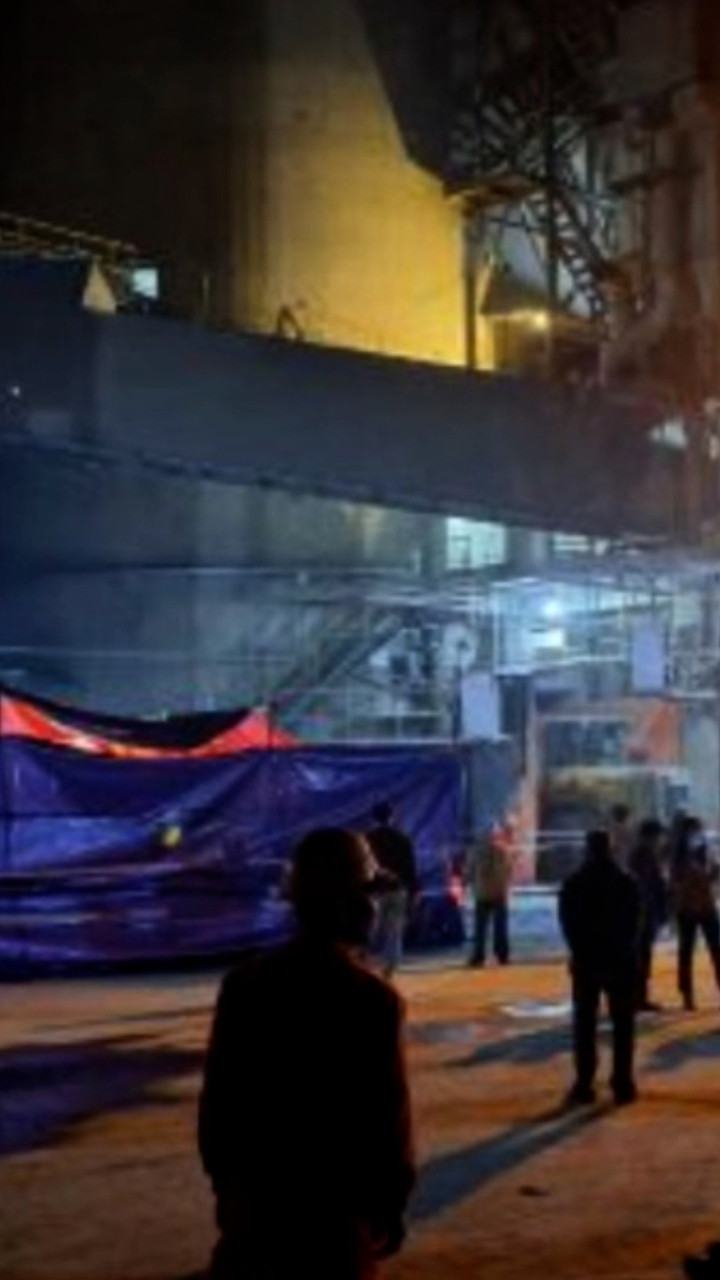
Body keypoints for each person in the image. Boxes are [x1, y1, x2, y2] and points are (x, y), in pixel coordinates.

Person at [198, 827, 415, 1280]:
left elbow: (217, 1110)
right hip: (333, 1231)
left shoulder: (244, 985)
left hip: (254, 1221)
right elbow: (387, 1125)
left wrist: (231, 1193)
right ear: (347, 904)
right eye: (368, 894)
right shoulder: (370, 1000)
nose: (374, 907)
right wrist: (390, 1206)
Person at [559, 828, 641, 1106]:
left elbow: (568, 924)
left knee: (585, 1024)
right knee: (623, 1025)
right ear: (610, 849)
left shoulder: (574, 883)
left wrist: (580, 953)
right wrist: (625, 952)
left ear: (587, 849)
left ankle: (584, 1083)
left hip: (586, 962)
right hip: (620, 962)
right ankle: (623, 1083)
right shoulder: (627, 882)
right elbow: (635, 924)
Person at [670, 815, 720, 1011]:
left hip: (704, 907)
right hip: (689, 909)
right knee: (687, 952)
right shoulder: (680, 858)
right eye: (695, 830)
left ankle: (688, 994)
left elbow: (707, 879)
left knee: (714, 949)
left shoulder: (702, 852)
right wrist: (709, 875)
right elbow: (684, 882)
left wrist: (713, 872)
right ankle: (687, 995)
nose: (698, 834)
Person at [367, 802, 418, 978]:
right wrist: (414, 890)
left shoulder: (367, 839)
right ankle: (390, 966)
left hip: (375, 891)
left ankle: (366, 963)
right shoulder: (402, 839)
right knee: (394, 930)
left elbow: (365, 867)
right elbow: (411, 869)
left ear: (373, 818)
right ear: (392, 817)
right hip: (398, 889)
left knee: (373, 929)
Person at [628, 818, 668, 1011]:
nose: (660, 840)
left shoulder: (645, 853)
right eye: (659, 836)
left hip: (644, 911)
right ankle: (637, 997)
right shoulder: (643, 855)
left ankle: (639, 996)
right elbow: (648, 885)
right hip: (642, 912)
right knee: (641, 956)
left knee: (642, 956)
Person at [465, 822, 514, 967]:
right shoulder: (504, 851)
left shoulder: (475, 851)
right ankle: (502, 955)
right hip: (499, 893)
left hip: (481, 893)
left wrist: (472, 885)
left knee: (480, 928)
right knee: (500, 927)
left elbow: (469, 872)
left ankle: (478, 956)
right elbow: (509, 871)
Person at [608, 801, 633, 871]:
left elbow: (612, 847)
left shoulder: (614, 830)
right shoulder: (628, 830)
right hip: (624, 862)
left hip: (619, 863)